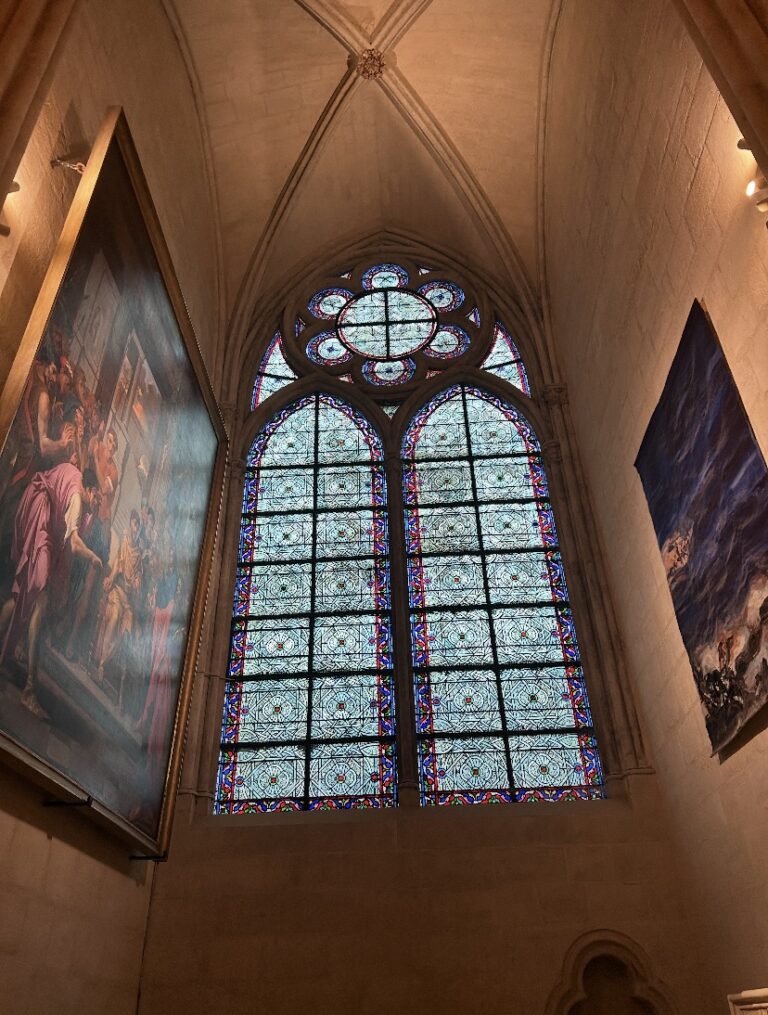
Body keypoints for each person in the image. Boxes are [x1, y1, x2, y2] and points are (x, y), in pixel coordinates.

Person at [0, 464, 102, 718]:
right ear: (90, 490)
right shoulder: (78, 498)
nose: (98, 502)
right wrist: (93, 558)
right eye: (97, 497)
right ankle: (29, 690)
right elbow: (75, 544)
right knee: (41, 600)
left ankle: (27, 683)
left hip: (46, 519)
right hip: (41, 515)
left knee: (27, 594)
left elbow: (68, 538)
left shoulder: (81, 496)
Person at [94, 508, 143, 704]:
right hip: (117, 592)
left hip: (128, 602)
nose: (135, 528)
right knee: (114, 617)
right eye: (134, 524)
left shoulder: (139, 554)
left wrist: (138, 583)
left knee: (127, 633)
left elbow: (138, 584)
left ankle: (105, 662)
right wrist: (110, 579)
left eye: (138, 525)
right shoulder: (124, 544)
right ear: (130, 525)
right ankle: (102, 663)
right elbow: (116, 567)